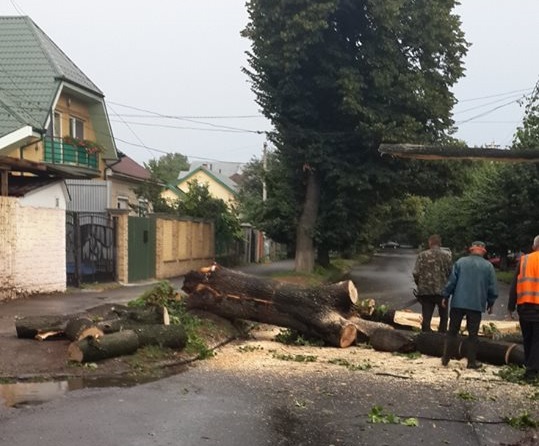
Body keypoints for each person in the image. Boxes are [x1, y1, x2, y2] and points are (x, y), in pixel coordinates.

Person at [441, 241, 498, 369]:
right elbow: (492, 287)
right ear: (483, 251)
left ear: (471, 250)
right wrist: (491, 302)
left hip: (458, 303)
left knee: (452, 331)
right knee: (473, 334)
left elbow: (451, 282)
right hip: (476, 304)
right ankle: (471, 362)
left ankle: (446, 358)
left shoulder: (460, 262)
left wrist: (445, 295)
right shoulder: (488, 266)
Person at [508, 235, 539, 381]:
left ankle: (529, 365)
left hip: (525, 307)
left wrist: (510, 306)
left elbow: (514, 285)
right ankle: (532, 372)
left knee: (528, 338)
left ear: (534, 247)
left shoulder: (524, 260)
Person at [413, 234, 452, 332]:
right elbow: (451, 273)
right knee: (443, 317)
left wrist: (419, 284)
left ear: (430, 243)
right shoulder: (447, 255)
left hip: (426, 292)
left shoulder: (422, 255)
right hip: (442, 292)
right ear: (440, 243)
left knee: (426, 317)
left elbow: (416, 273)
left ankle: (425, 337)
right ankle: (442, 336)